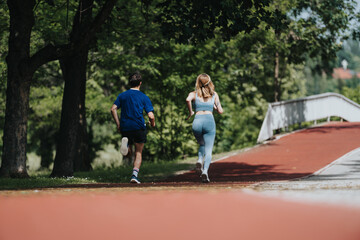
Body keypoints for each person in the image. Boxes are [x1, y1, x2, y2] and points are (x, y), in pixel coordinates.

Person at [111, 72, 155, 184]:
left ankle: (126, 146)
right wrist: (152, 123)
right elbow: (151, 115)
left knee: (128, 151)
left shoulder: (122, 95)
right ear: (140, 83)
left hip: (125, 126)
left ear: (129, 83)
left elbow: (113, 109)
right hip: (139, 126)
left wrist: (118, 124)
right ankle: (134, 176)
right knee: (138, 153)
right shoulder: (143, 97)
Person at [186, 73, 223, 183]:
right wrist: (215, 107)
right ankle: (205, 171)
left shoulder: (194, 94)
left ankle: (199, 159)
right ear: (209, 82)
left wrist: (190, 112)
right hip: (209, 121)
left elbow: (188, 99)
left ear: (198, 82)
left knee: (201, 143)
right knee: (209, 150)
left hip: (197, 121)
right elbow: (221, 111)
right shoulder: (214, 95)